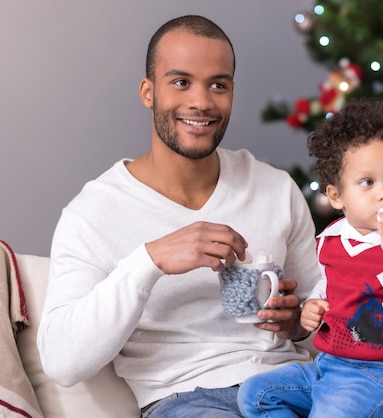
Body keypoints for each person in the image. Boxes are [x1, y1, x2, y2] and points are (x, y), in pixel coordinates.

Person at [36, 15, 319, 418]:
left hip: (290, 386)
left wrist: (298, 324)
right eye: (181, 82)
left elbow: (321, 316)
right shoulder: (93, 213)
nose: (201, 102)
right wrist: (150, 260)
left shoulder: (275, 188)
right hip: (188, 400)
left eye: (218, 84)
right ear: (148, 92)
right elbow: (62, 361)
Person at [238, 99, 383, 418]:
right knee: (256, 395)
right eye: (368, 182)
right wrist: (313, 306)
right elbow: (331, 285)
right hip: (328, 367)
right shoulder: (332, 238)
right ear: (337, 196)